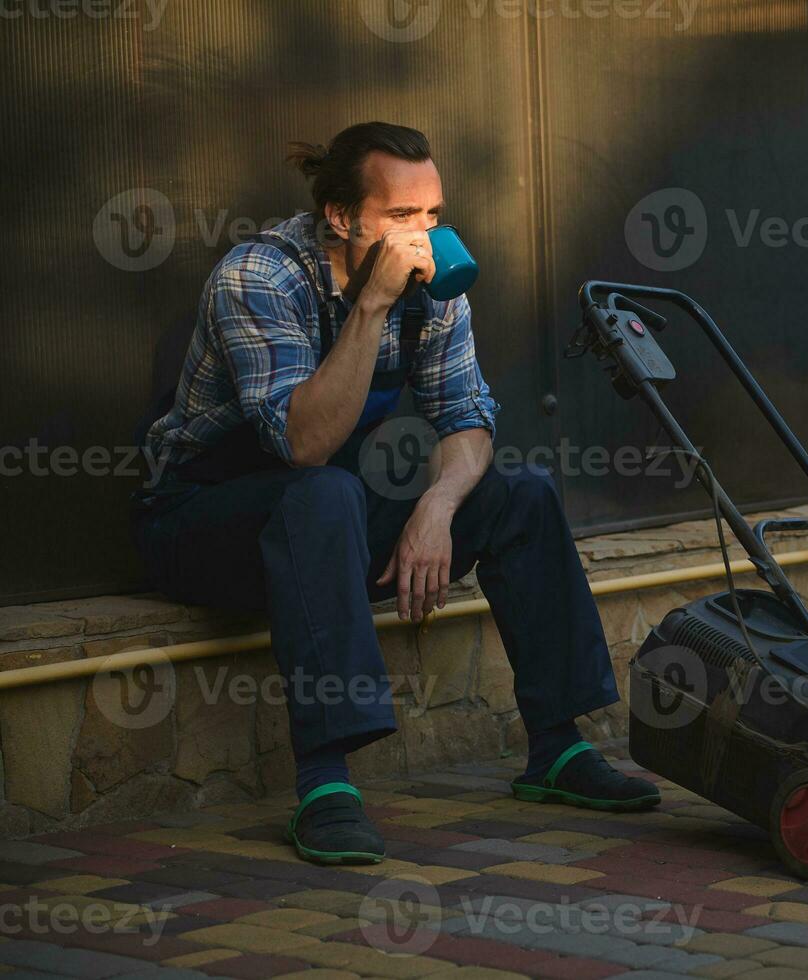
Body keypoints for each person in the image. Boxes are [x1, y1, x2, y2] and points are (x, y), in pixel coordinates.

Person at [131, 121, 658, 866]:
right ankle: (324, 783)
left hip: (319, 520)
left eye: (433, 215)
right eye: (402, 217)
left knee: (518, 493)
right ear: (343, 219)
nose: (425, 235)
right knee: (324, 491)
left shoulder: (435, 292)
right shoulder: (258, 277)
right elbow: (301, 443)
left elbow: (468, 420)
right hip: (198, 520)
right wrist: (369, 306)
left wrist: (437, 511)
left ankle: (557, 747)